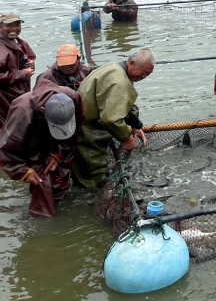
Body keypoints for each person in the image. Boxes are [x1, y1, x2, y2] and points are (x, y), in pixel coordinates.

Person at [0, 79, 84, 217]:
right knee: (40, 180)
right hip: (31, 138)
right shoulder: (22, 110)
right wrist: (23, 171)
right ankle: (42, 219)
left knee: (60, 175)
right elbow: (5, 148)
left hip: (57, 141)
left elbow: (74, 132)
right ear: (43, 110)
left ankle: (58, 200)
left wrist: (58, 154)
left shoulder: (73, 97)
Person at [73, 48, 154, 188]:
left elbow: (125, 106)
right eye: (144, 72)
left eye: (148, 74)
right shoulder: (120, 81)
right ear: (131, 62)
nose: (144, 77)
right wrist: (126, 138)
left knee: (81, 171)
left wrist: (136, 126)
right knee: (91, 180)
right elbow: (110, 119)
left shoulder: (114, 68)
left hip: (81, 125)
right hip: (88, 133)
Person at [0, 12, 36, 128]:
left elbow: (30, 58)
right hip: (3, 101)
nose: (14, 29)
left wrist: (30, 65)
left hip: (20, 96)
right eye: (9, 25)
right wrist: (21, 74)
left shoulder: (21, 43)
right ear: (0, 27)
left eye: (17, 25)